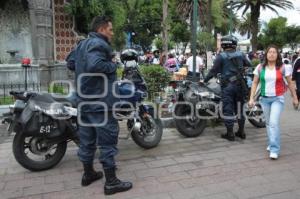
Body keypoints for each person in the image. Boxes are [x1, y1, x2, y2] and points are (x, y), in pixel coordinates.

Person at [66, 16, 132, 195]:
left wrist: (84, 73)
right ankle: (111, 182)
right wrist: (112, 65)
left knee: (87, 141)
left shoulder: (81, 45)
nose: (112, 33)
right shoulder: (100, 44)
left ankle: (88, 174)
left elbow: (70, 63)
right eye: (110, 30)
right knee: (107, 142)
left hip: (84, 103)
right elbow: (95, 64)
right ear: (102, 29)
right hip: (100, 104)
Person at [248, 45, 299, 160]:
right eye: (269, 52)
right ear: (266, 54)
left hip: (278, 99)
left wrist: (295, 98)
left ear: (277, 55)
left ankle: (274, 149)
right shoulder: (260, 67)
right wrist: (251, 98)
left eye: (274, 52)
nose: (271, 54)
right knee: (268, 123)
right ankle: (271, 142)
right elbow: (255, 83)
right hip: (264, 99)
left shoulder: (283, 67)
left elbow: (290, 83)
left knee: (273, 123)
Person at [204, 35, 252, 141]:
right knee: (240, 108)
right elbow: (249, 65)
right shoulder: (241, 54)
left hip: (228, 86)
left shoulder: (221, 56)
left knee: (228, 109)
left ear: (224, 44)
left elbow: (213, 71)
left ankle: (230, 134)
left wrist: (205, 80)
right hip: (240, 85)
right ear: (234, 44)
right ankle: (241, 132)